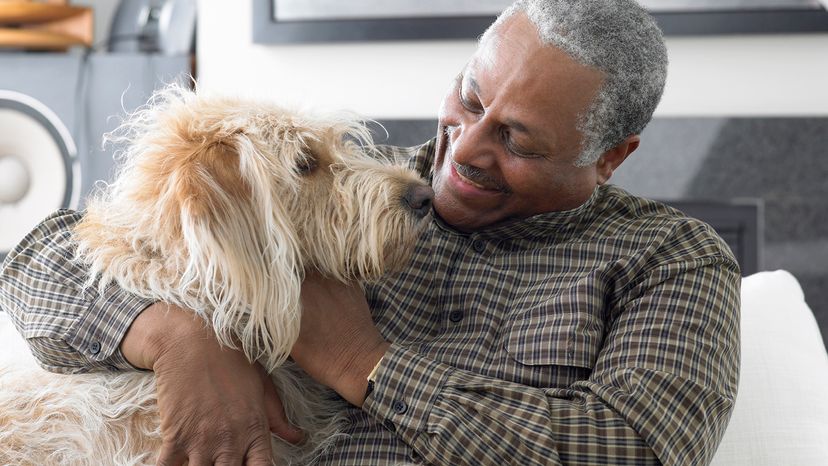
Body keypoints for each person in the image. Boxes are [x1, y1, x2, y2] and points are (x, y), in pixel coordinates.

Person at [0, 0, 741, 465]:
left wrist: (364, 361)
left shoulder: (670, 261)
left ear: (609, 157)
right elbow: (39, 260)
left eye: (517, 141)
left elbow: (640, 449)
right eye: (470, 97)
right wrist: (179, 339)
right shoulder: (334, 184)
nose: (466, 148)